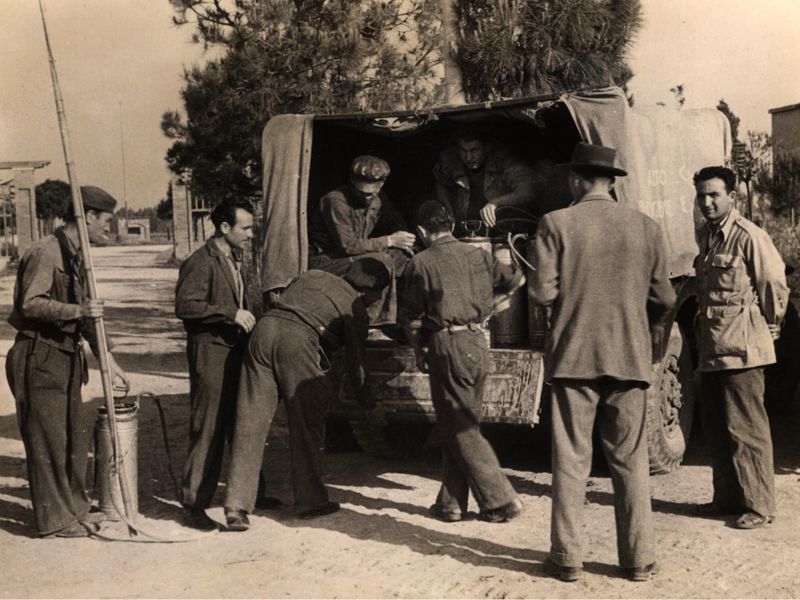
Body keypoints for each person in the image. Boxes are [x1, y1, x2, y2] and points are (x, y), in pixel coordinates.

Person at [529, 143, 675, 582]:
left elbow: (541, 294)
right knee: (629, 460)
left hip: (573, 357)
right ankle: (639, 560)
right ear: (612, 181)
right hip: (629, 357)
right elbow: (665, 297)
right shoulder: (647, 227)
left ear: (576, 180)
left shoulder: (556, 223)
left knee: (571, 459)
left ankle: (567, 559)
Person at [223, 260, 388, 530]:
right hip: (297, 342)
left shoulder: (312, 274)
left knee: (250, 421)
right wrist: (369, 405)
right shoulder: (356, 308)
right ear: (370, 292)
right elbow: (357, 365)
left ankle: (236, 506)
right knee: (306, 423)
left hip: (262, 333)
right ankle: (311, 501)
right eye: (378, 296)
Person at [6, 185, 129, 538]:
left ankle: (74, 511)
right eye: (106, 220)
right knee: (48, 442)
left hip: (66, 356)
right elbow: (30, 304)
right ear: (88, 216)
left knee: (72, 440)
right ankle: (55, 521)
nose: (109, 227)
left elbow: (90, 320)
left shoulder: (79, 257)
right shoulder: (46, 253)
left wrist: (109, 358)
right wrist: (77, 310)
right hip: (38, 354)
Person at [400, 200, 525, 525]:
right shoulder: (481, 256)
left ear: (422, 231)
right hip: (477, 342)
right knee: (460, 421)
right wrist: (490, 306)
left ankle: (500, 500)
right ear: (452, 226)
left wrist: (418, 349)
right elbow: (514, 279)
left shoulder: (420, 263)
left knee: (458, 426)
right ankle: (451, 504)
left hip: (447, 344)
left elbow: (411, 318)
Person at [691, 166, 789, 529]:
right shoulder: (707, 235)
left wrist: (772, 323)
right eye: (702, 194)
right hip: (714, 347)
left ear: (732, 197)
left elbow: (774, 283)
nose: (707, 201)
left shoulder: (749, 235)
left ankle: (760, 505)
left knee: (747, 429)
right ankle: (728, 498)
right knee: (717, 427)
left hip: (744, 348)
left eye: (714, 194)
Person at [175, 198, 279, 530]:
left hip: (237, 352)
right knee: (209, 427)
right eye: (245, 228)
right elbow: (186, 306)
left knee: (244, 423)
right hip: (211, 353)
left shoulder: (236, 258)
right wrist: (229, 313)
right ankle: (194, 504)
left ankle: (244, 500)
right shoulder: (200, 262)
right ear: (224, 228)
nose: (251, 234)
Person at [308, 154, 416, 326]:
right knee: (383, 259)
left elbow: (395, 222)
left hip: (353, 256)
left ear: (381, 185)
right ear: (352, 181)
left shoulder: (378, 199)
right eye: (362, 192)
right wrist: (389, 240)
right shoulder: (336, 201)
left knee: (400, 256)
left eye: (373, 192)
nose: (368, 197)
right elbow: (348, 245)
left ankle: (399, 316)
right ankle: (373, 323)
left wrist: (405, 241)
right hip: (327, 260)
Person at [433, 128, 537, 235]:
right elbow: (441, 182)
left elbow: (527, 191)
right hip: (466, 227)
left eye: (474, 150)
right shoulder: (449, 159)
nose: (468, 157)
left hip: (504, 228)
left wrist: (496, 203)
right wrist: (447, 210)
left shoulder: (504, 159)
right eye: (463, 150)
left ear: (487, 148)